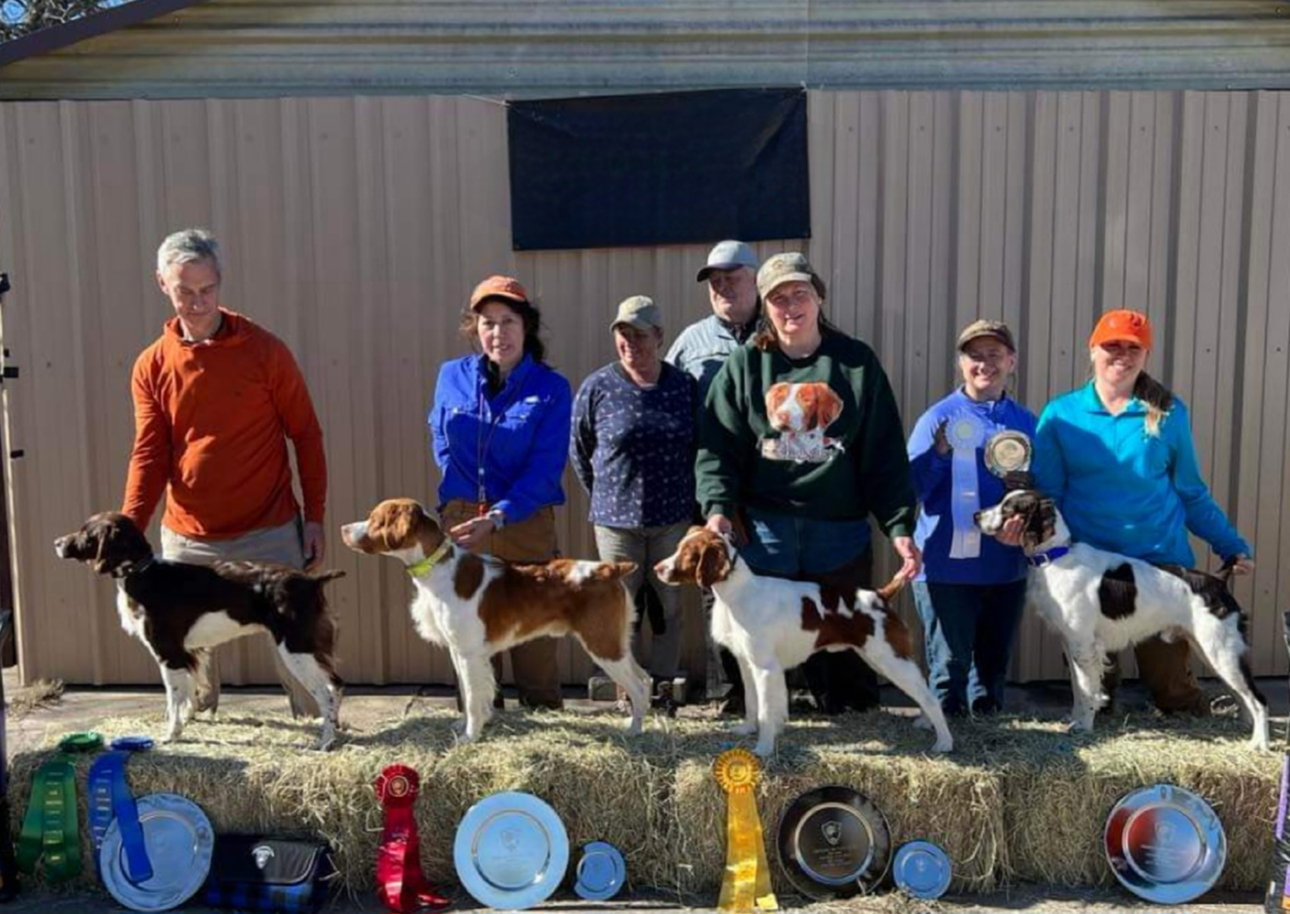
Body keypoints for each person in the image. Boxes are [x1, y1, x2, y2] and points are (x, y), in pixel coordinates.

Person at [697, 251, 920, 714]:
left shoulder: (856, 364)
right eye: (778, 297)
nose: (790, 305)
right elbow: (717, 447)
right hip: (765, 533)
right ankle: (753, 721)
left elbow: (884, 454)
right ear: (764, 306)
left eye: (800, 292)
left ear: (819, 297)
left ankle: (852, 719)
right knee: (751, 642)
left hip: (837, 534)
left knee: (844, 645)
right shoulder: (744, 366)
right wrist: (717, 508)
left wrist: (899, 528)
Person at [122, 228, 327, 718]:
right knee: (190, 661)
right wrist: (128, 531)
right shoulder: (151, 366)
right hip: (189, 539)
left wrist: (314, 517)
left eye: (207, 290)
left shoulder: (265, 351)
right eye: (183, 291)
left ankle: (321, 730)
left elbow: (306, 434)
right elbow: (149, 454)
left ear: (220, 282)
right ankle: (201, 743)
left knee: (298, 651)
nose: (196, 303)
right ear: (161, 284)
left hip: (271, 530)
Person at [1026, 309, 1254, 715]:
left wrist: (1230, 545)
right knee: (1098, 696)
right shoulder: (1061, 415)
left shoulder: (1169, 413)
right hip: (1091, 579)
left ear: (1146, 354)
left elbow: (1191, 493)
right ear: (1092, 350)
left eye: (1133, 347)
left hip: (1161, 572)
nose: (1122, 355)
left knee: (1174, 694)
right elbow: (1048, 495)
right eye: (1112, 345)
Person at [429, 274, 573, 711]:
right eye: (488, 322)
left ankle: (545, 732)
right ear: (475, 328)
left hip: (523, 523)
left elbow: (546, 469)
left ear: (526, 326)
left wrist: (498, 514)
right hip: (463, 526)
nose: (498, 333)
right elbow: (439, 436)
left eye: (508, 321)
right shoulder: (451, 376)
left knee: (533, 642)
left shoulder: (551, 389)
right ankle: (476, 728)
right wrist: (460, 504)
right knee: (469, 638)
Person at [907, 320, 1037, 716]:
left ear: (1011, 361)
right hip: (947, 572)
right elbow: (910, 488)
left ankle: (993, 756)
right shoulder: (936, 420)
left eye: (994, 355)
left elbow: (1043, 491)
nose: (985, 364)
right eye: (974, 356)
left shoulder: (1028, 423)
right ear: (961, 363)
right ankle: (947, 755)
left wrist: (1024, 521)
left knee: (992, 676)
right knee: (949, 674)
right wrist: (940, 455)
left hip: (1005, 569)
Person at [572, 295, 697, 699]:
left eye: (639, 334)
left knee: (668, 606)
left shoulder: (683, 387)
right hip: (615, 521)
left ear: (659, 337)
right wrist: (606, 496)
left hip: (672, 520)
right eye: (622, 334)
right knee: (620, 608)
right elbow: (579, 449)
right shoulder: (598, 386)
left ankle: (662, 684)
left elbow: (701, 447)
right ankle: (627, 684)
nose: (630, 343)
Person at [667, 240, 761, 712]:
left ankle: (781, 690)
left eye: (732, 277)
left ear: (756, 279)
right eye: (715, 281)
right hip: (711, 487)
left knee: (771, 585)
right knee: (715, 587)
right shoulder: (691, 342)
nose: (723, 287)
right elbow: (667, 407)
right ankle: (730, 692)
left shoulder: (782, 329)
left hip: (771, 488)